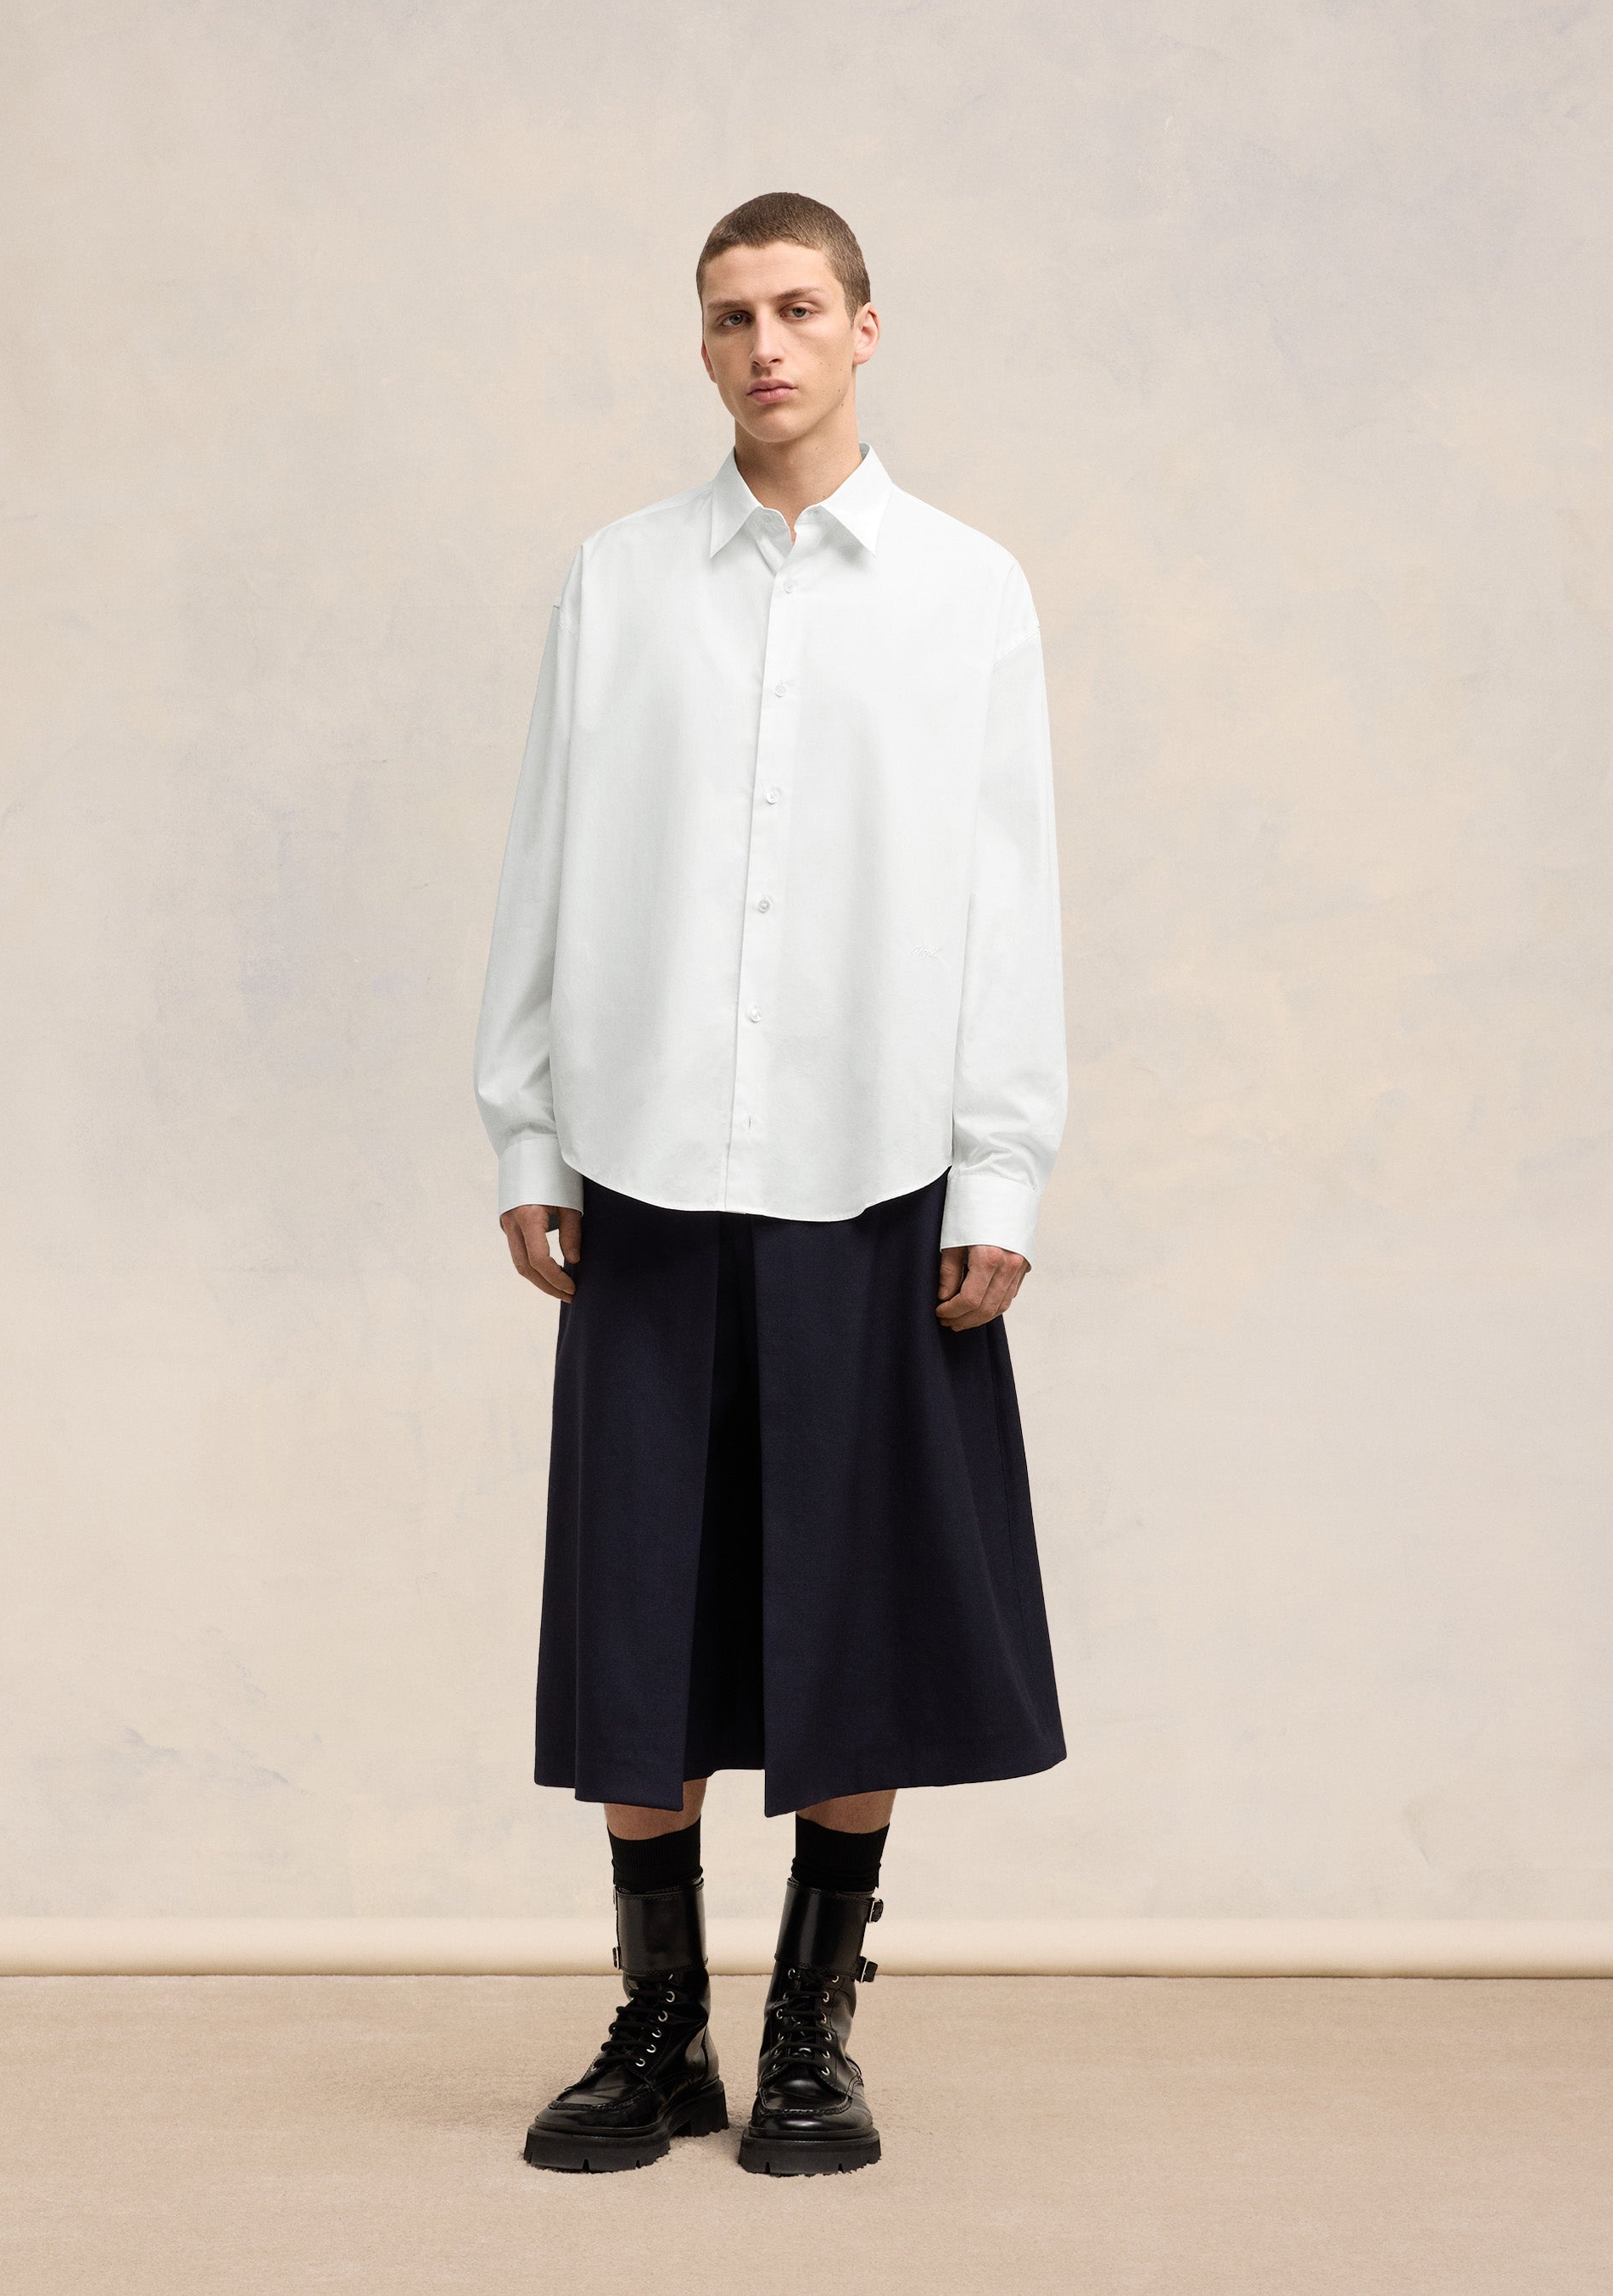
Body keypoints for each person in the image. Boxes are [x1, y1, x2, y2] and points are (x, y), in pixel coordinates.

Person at [472, 191, 1069, 2177]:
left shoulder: (969, 591)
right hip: (646, 1155)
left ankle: (814, 2027)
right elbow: (549, 856)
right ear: (704, 341)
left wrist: (1001, 1167)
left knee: (852, 1607)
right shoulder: (620, 580)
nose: (765, 348)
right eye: (731, 316)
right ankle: (661, 2026)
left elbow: (1007, 894)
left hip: (877, 1159)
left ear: (866, 328)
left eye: (799, 308)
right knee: (640, 1600)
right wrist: (525, 1127)